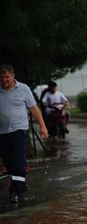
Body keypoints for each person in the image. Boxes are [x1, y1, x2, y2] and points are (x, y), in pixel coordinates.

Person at [0, 64, 49, 203]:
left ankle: (15, 191)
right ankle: (20, 184)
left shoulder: (23, 89)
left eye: (7, 77)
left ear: (13, 76)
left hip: (19, 130)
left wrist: (43, 127)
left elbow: (34, 108)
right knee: (8, 161)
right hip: (2, 132)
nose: (4, 80)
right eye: (1, 78)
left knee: (18, 159)